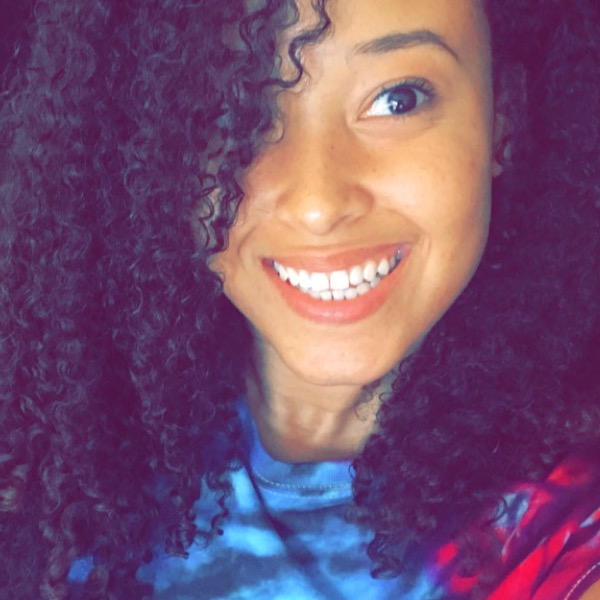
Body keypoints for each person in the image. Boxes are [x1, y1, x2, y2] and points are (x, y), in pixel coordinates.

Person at [1, 0, 599, 598]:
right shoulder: (45, 453)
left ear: (502, 119)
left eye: (398, 99)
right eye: (236, 109)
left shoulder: (567, 534)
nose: (318, 204)